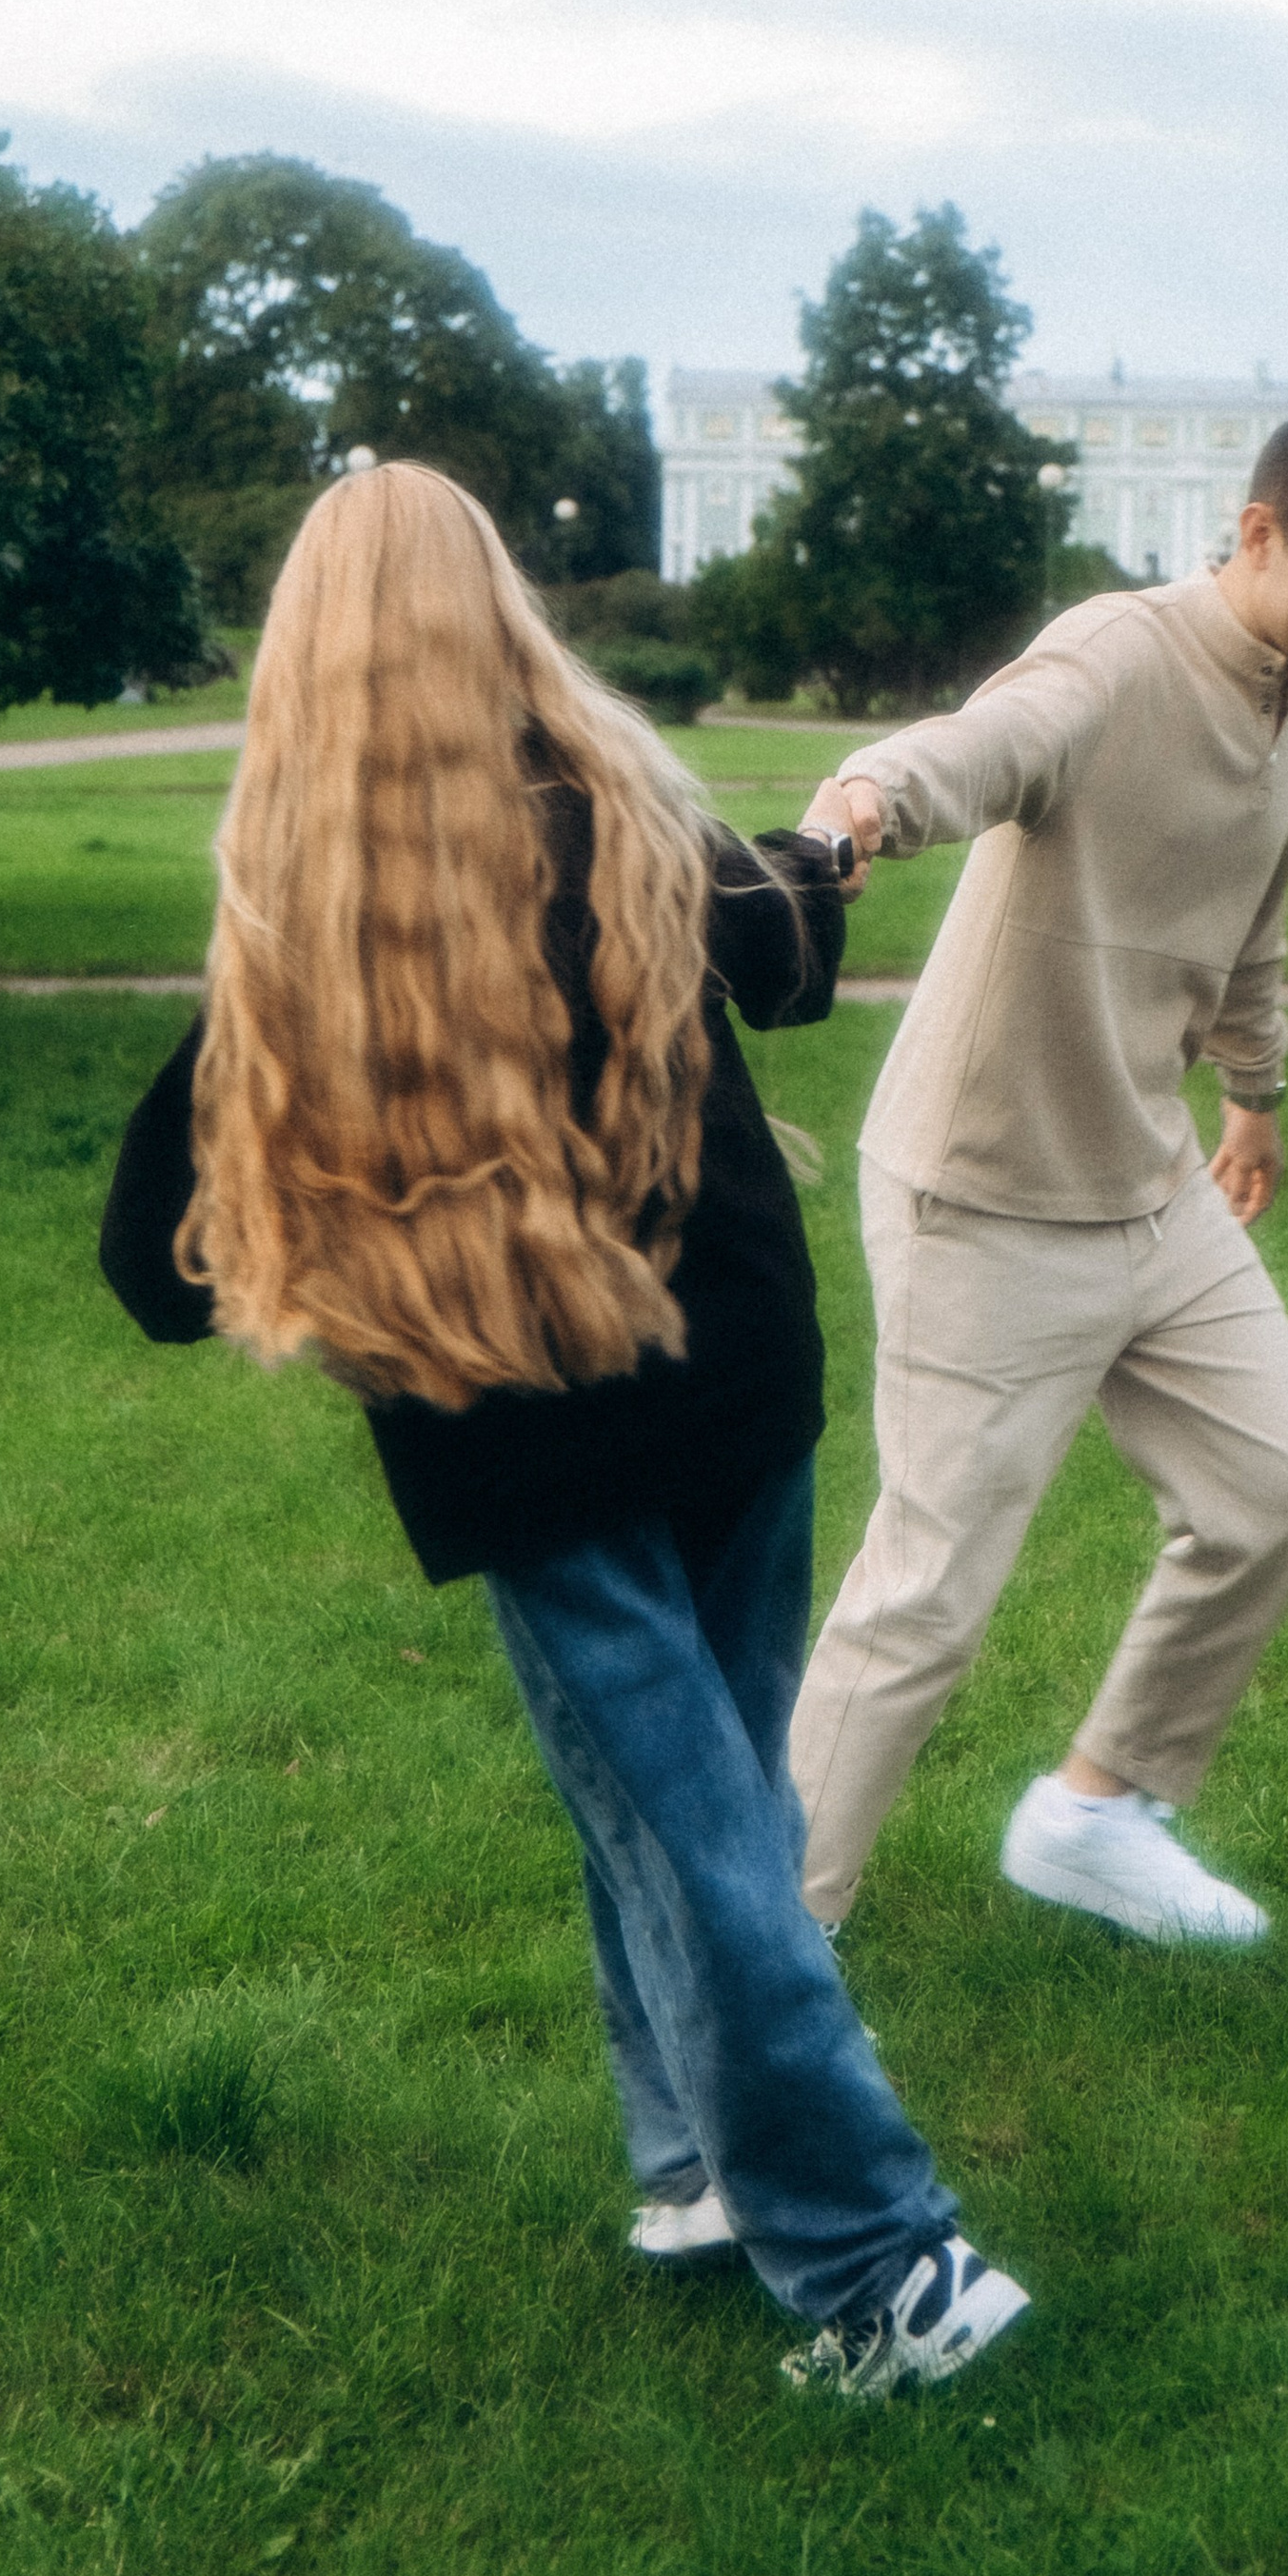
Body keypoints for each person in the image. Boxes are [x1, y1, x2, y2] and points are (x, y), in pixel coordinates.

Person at [98, 462, 1026, 2401]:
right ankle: (779, 2209)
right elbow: (782, 958)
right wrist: (809, 860)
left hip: (517, 1421)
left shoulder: (299, 935)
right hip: (729, 1376)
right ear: (498, 611)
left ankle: (817, 2232)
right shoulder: (630, 820)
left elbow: (151, 1267)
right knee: (702, 1823)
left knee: (692, 1833)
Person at [789, 398, 1288, 1946]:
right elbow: (983, 745)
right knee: (924, 1605)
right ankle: (767, 1965)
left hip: (1150, 1182)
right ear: (1256, 532)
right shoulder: (1119, 652)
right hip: (984, 1191)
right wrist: (864, 803)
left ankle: (1092, 1814)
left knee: (1278, 1497)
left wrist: (1258, 1097)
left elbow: (1251, 922)